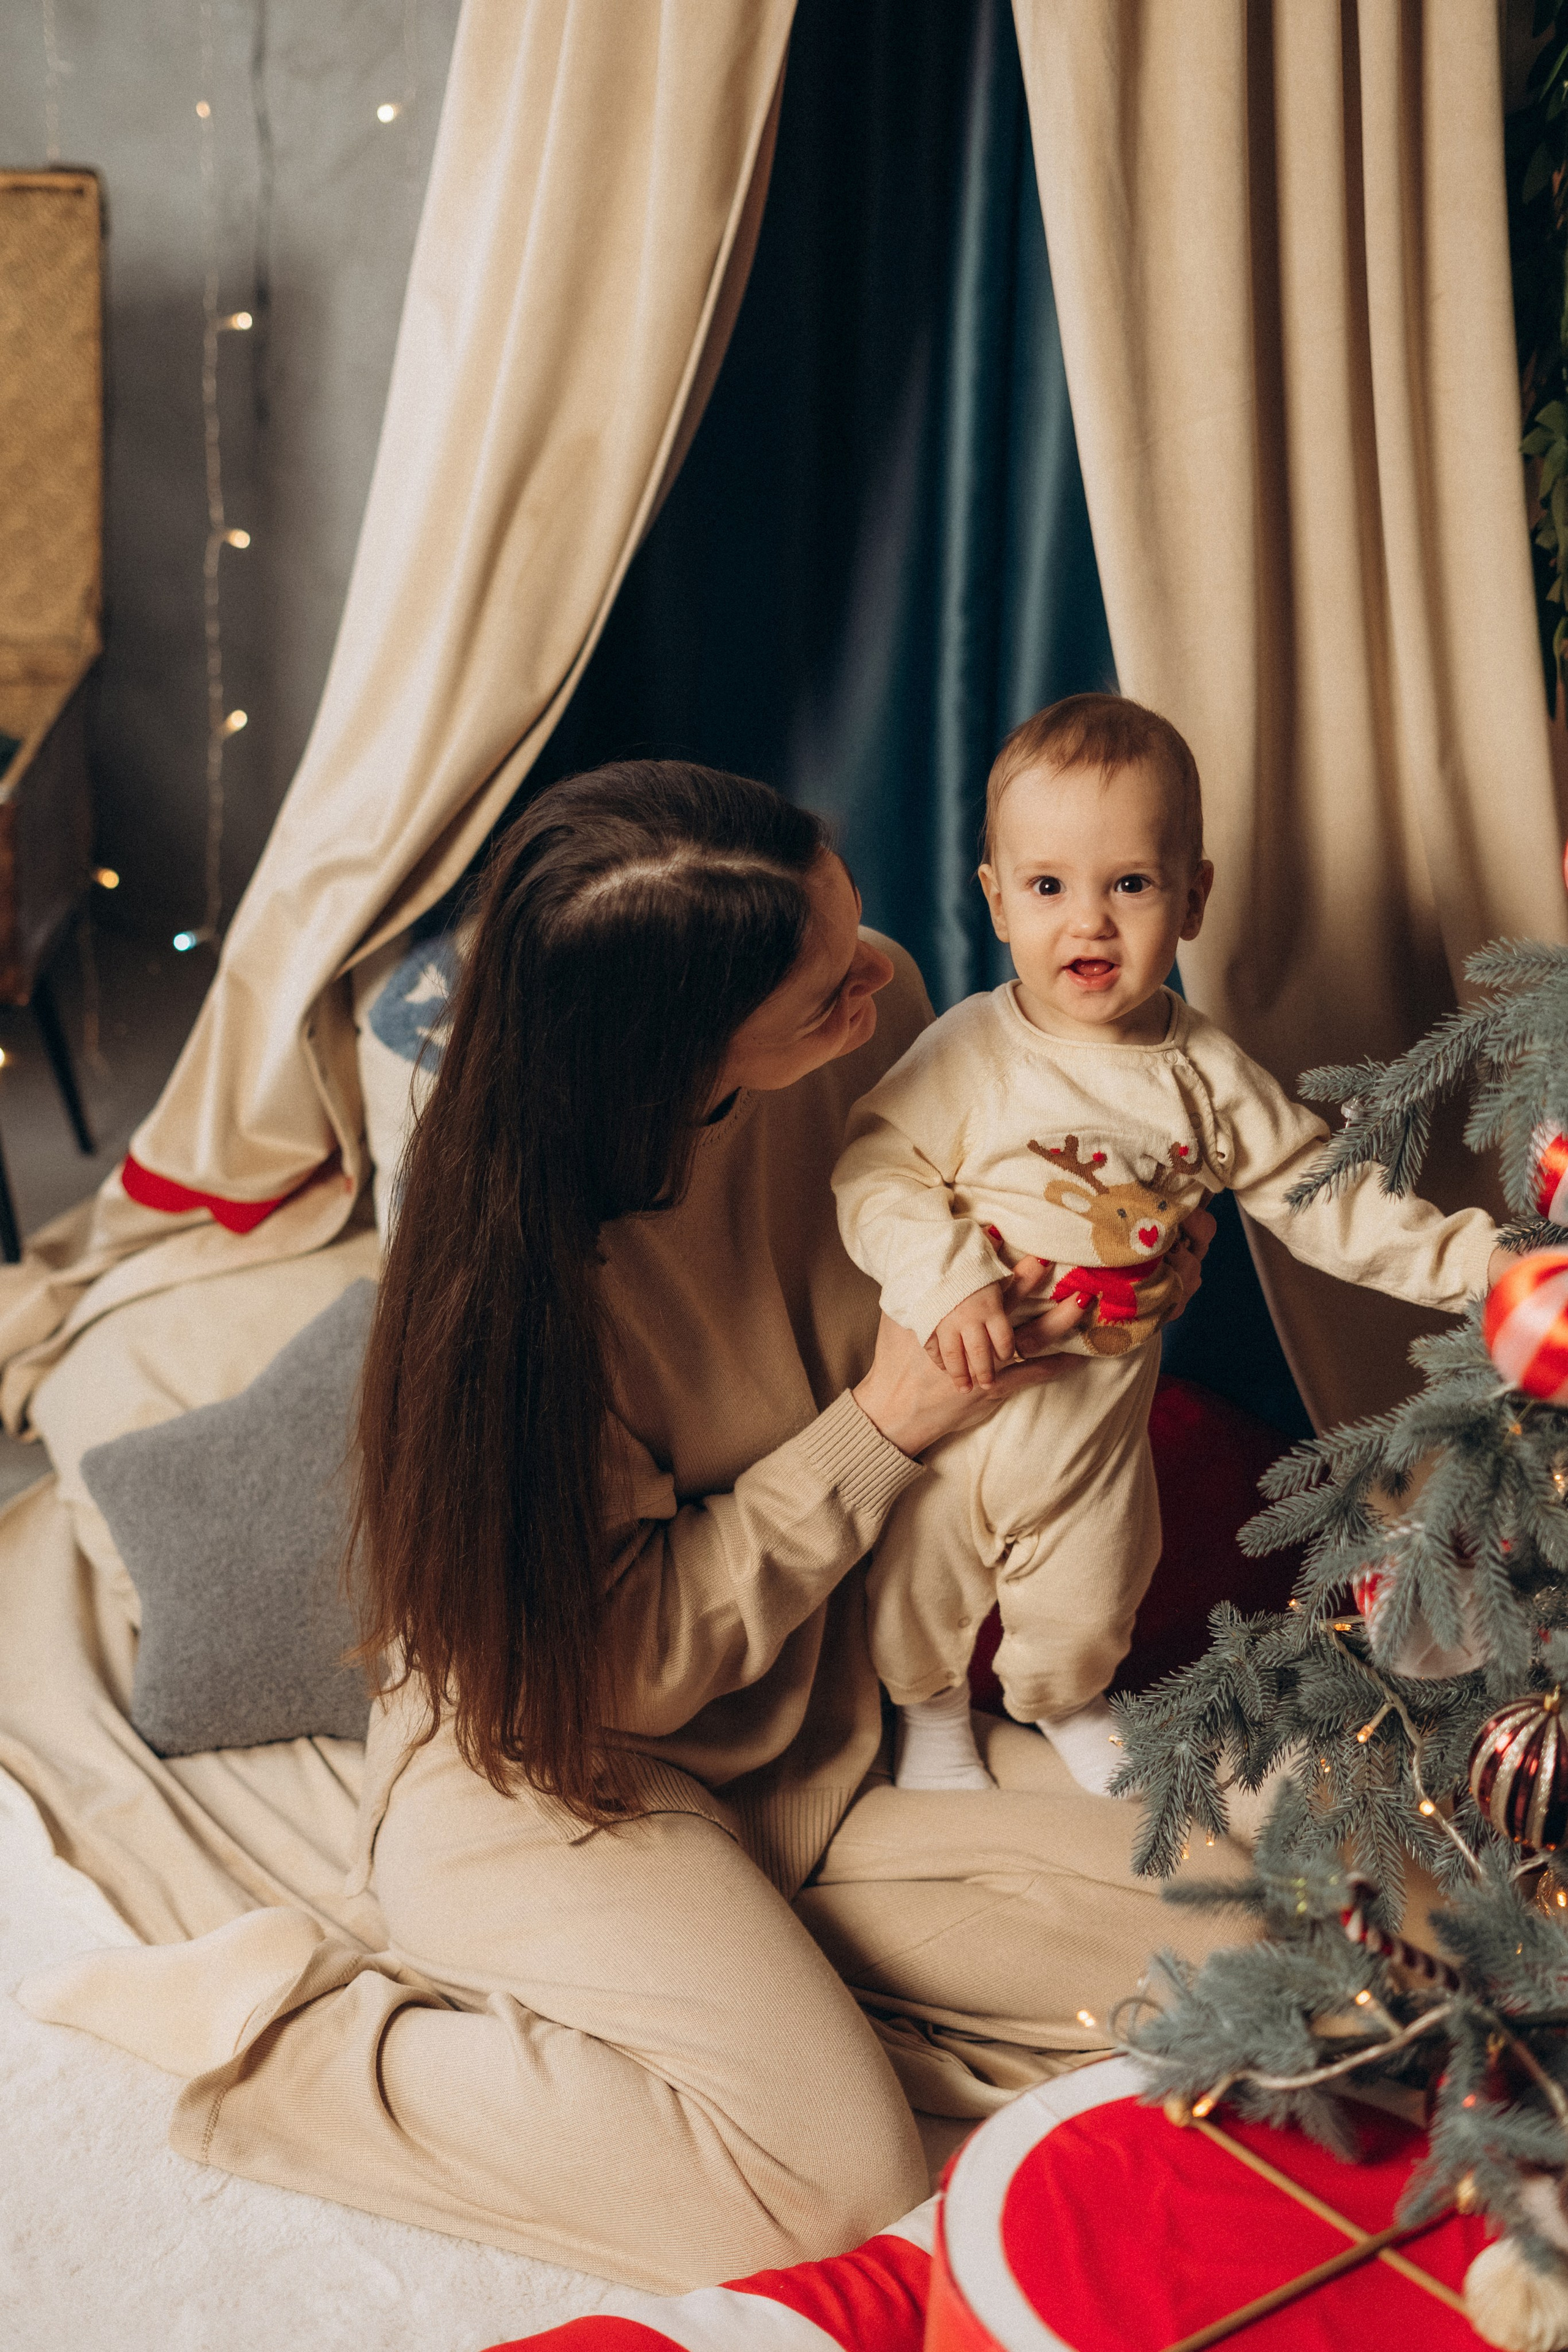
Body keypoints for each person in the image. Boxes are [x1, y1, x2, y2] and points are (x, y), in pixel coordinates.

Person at [24, 760, 1238, 2295]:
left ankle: (764, 1964)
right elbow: (627, 1665)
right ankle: (283, 2040)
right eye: (823, 989)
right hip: (559, 1755)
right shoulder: (515, 1302)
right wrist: (881, 1425)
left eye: (852, 930)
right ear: (671, 1059)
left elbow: (988, 1218)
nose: (874, 981)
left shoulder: (872, 1018)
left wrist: (1113, 1260)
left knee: (1279, 1948)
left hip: (829, 1716)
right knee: (828, 2178)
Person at [834, 695, 1510, 1800]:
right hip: (963, 1392)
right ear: (996, 900)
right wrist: (945, 1280)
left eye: (1131, 885)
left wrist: (1482, 1265)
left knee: (1094, 1583)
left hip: (1099, 1415)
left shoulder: (1205, 1075)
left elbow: (1325, 1199)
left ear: (1193, 899)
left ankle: (1064, 1700)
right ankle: (930, 1710)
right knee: (923, 1571)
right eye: (1048, 888)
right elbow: (874, 1173)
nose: (1089, 924)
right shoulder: (970, 1052)